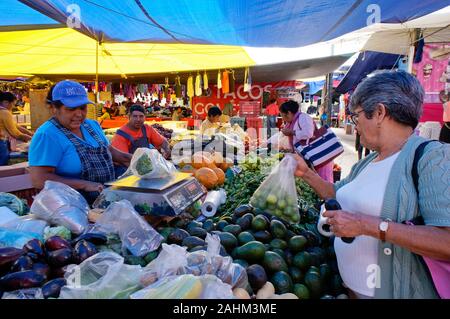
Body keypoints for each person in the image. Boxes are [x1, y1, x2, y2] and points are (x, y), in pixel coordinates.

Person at [292, 70, 450, 299]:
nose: (354, 125)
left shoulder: (432, 158)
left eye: (356, 117)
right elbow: (337, 193)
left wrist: (366, 225)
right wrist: (305, 173)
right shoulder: (367, 161)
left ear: (379, 112)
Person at [29, 80, 132, 204]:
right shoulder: (47, 135)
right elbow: (39, 179)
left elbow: (108, 150)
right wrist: (83, 184)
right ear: (54, 108)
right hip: (72, 205)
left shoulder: (91, 125)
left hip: (105, 197)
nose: (79, 114)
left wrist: (133, 158)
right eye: (71, 109)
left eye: (83, 108)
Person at [280, 100, 334, 182]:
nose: (282, 118)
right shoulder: (291, 122)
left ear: (289, 113)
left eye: (282, 115)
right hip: (306, 156)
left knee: (321, 180)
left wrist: (291, 132)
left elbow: (308, 133)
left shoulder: (303, 117)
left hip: (316, 154)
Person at [0, 92, 33, 165]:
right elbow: (15, 133)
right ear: (5, 102)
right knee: (2, 167)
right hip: (1, 142)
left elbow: (16, 126)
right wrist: (32, 138)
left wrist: (30, 133)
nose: (13, 107)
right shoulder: (4, 112)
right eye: (12, 104)